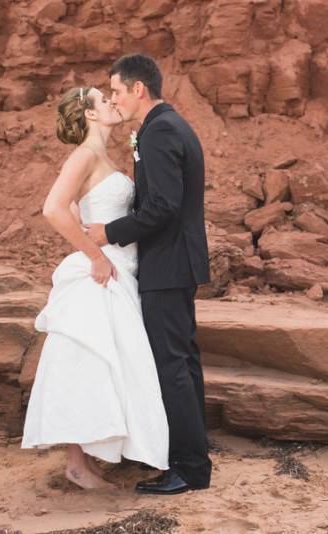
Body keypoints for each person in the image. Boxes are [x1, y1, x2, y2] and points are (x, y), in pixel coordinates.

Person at [21, 85, 169, 490]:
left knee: (107, 364)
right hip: (104, 271)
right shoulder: (85, 155)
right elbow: (54, 208)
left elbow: (75, 207)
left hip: (122, 266)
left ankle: (86, 459)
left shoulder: (103, 155)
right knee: (90, 362)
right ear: (88, 114)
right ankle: (76, 465)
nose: (112, 103)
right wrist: (95, 256)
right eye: (104, 100)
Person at [85, 53, 213, 495]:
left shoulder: (159, 132)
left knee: (172, 367)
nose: (114, 99)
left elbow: (163, 206)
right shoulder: (170, 125)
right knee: (184, 364)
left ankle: (190, 468)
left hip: (166, 264)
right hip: (177, 262)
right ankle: (194, 459)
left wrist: (109, 233)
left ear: (139, 89)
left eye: (116, 91)